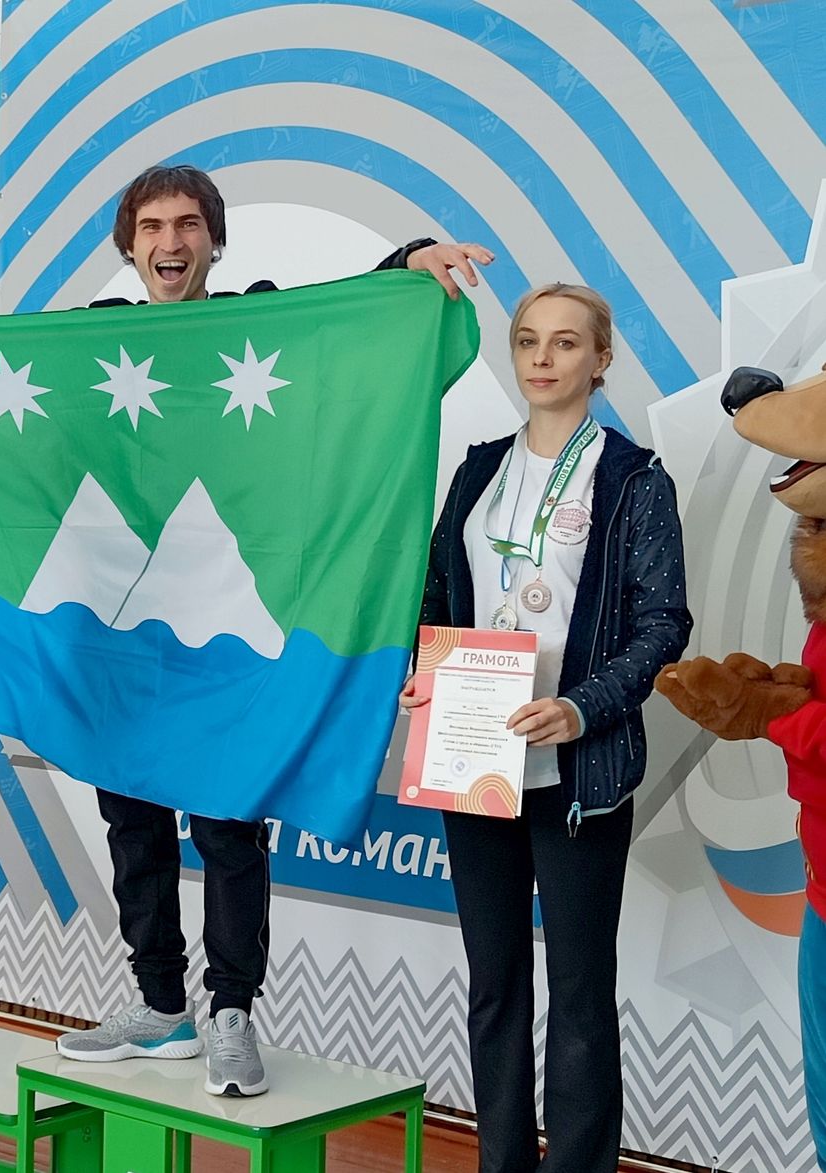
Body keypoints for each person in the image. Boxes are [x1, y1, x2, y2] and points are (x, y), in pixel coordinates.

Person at [0, 163, 492, 1098]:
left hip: (231, 653)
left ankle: (232, 1012)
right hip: (118, 646)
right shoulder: (96, 337)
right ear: (129, 246)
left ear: (214, 239)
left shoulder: (256, 323)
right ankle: (160, 1004)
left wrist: (409, 262)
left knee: (229, 824)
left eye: (188, 224)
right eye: (153, 226)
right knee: (131, 821)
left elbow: (346, 321)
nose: (171, 241)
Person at [401, 284, 691, 1172]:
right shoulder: (477, 471)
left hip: (578, 773)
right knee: (494, 987)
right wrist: (425, 669)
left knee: (579, 995)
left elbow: (664, 625)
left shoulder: (634, 479)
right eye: (529, 339)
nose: (542, 356)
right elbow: (438, 591)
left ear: (601, 360)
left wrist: (579, 707)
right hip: (474, 761)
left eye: (566, 342)